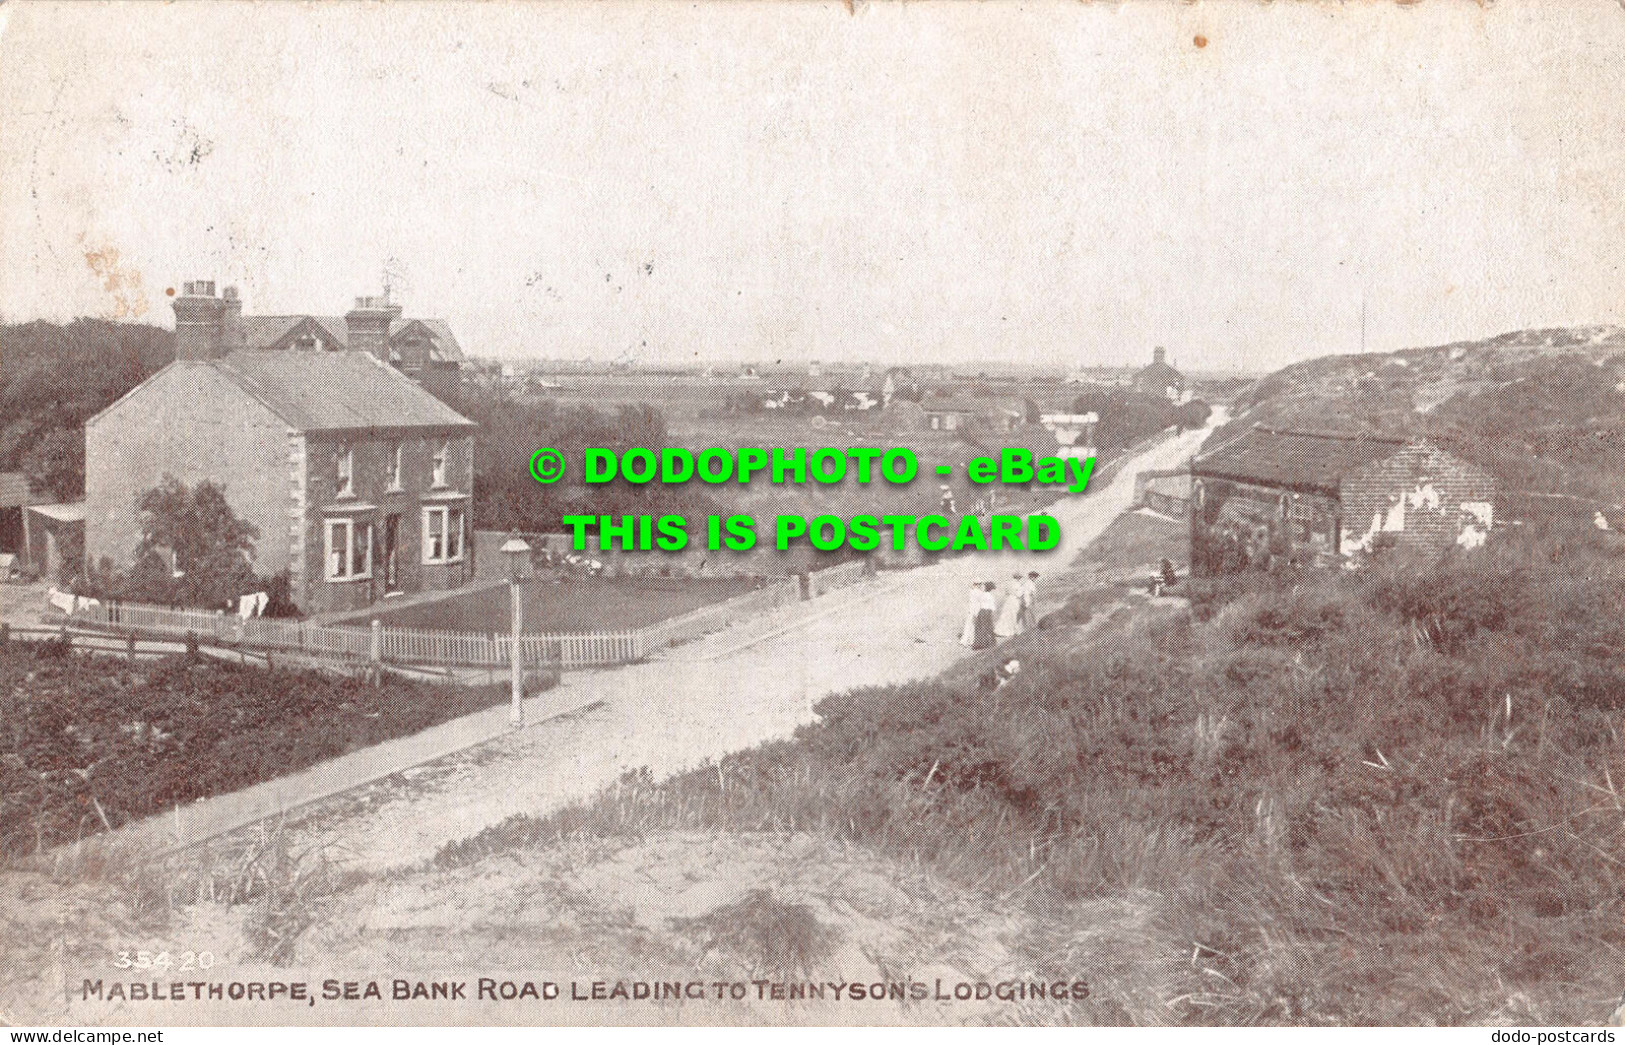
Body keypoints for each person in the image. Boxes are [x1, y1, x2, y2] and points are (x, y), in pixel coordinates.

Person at [994, 573, 1023, 638]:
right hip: (1014, 600)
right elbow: (1019, 594)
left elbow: (1006, 593)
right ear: (1018, 578)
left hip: (1008, 600)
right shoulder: (1018, 584)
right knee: (1013, 615)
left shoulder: (1009, 583)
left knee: (1005, 614)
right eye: (1019, 578)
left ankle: (1000, 630)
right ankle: (1011, 631)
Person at [972, 582, 998, 649]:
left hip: (981, 612)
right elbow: (992, 606)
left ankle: (979, 643)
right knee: (988, 627)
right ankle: (988, 643)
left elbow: (979, 604)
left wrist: (976, 613)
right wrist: (993, 614)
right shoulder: (990, 596)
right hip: (987, 612)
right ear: (991, 589)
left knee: (980, 627)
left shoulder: (982, 595)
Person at [960, 582, 982, 647]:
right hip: (976, 609)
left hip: (970, 609)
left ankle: (966, 640)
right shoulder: (979, 592)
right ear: (978, 585)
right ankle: (972, 640)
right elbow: (980, 602)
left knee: (968, 624)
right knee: (974, 625)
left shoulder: (971, 591)